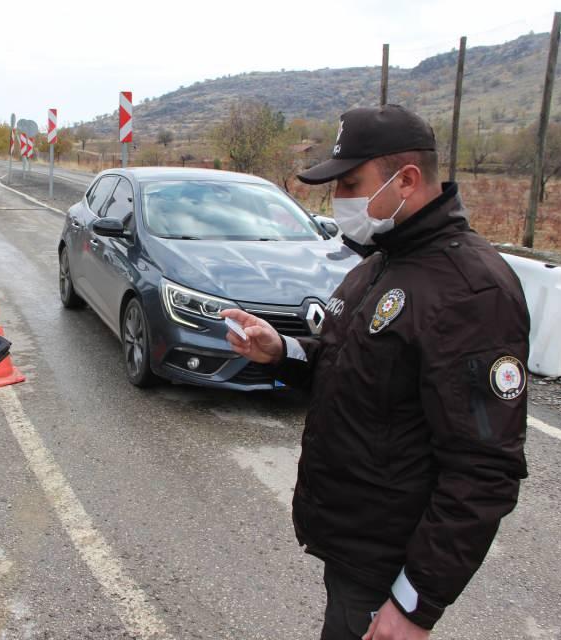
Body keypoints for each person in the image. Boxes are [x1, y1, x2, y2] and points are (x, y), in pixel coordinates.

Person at [223, 104, 529, 640]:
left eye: (350, 184)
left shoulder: (469, 292)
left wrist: (413, 606)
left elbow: (482, 472)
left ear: (406, 179)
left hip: (389, 567)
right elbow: (352, 366)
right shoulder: (380, 262)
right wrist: (283, 352)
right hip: (350, 544)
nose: (338, 200)